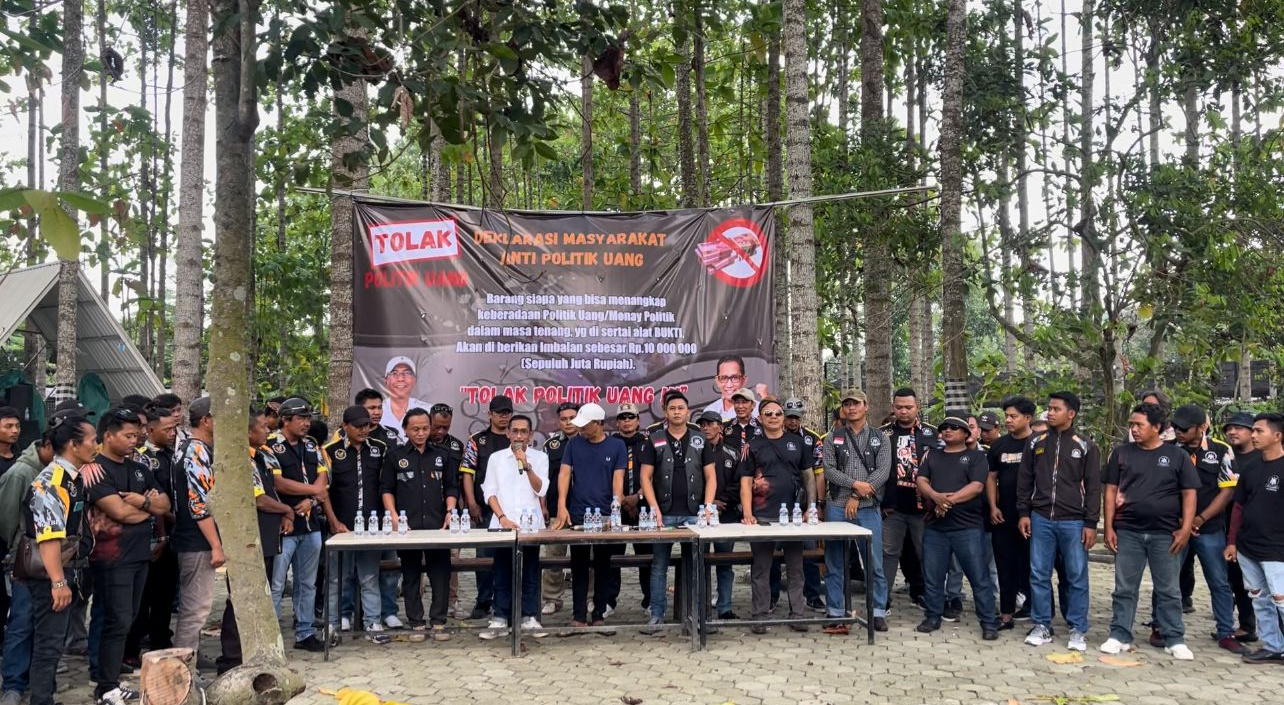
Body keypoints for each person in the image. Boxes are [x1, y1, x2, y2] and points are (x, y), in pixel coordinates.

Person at [1100, 402, 1199, 660]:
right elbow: (1110, 491)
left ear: (1157, 427)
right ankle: (1119, 634)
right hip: (1128, 531)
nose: (1133, 429)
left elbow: (1189, 493)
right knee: (1124, 588)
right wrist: (1109, 526)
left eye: (1139, 425)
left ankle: (1174, 638)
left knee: (1168, 589)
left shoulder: (1177, 456)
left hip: (1165, 533)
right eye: (1131, 424)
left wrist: (1185, 529)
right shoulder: (1121, 453)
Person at [85, 407, 170, 704]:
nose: (135, 440)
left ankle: (110, 680)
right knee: (116, 620)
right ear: (108, 436)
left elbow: (164, 505)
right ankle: (105, 686)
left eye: (137, 435)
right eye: (129, 435)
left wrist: (142, 503)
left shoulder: (139, 468)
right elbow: (119, 512)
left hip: (139, 555)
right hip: (111, 558)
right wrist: (147, 507)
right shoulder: (95, 469)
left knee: (129, 618)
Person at [1148, 404, 1238, 653]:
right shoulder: (1167, 450)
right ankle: (1159, 626)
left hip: (1209, 528)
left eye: (1185, 428)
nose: (1179, 431)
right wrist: (1182, 521)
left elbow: (1227, 490)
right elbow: (1159, 488)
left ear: (1201, 428)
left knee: (1219, 581)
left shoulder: (1222, 450)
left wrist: (1199, 519)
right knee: (1167, 579)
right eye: (1176, 426)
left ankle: (1226, 632)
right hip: (1174, 528)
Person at [1017, 391, 1099, 651]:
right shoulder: (1035, 442)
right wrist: (1023, 513)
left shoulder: (1085, 445)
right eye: (1049, 408)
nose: (1050, 413)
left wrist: (1091, 523)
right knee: (1039, 574)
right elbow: (1024, 480)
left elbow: (1094, 488)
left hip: (1074, 521)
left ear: (1071, 414)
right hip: (1040, 517)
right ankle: (1041, 625)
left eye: (1056, 409)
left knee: (1076, 575)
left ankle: (1077, 629)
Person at [217, 410, 295, 673]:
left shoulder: (262, 455)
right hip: (249, 539)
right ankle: (231, 659)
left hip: (266, 537)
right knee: (240, 597)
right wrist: (287, 509)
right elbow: (259, 499)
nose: (268, 431)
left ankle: (254, 651)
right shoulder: (241, 460)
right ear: (248, 432)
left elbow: (270, 490)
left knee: (260, 595)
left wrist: (283, 514)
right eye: (263, 427)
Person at [25, 417, 96, 705]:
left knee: (54, 639)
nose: (96, 445)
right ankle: (41, 699)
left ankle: (47, 695)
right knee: (49, 642)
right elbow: (48, 538)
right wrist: (58, 582)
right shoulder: (52, 482)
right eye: (92, 440)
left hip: (66, 567)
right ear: (73, 445)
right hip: (50, 573)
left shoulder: (74, 477)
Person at [913, 414, 1000, 639]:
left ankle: (988, 622)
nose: (947, 430)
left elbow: (977, 487)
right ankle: (933, 616)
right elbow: (921, 481)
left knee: (979, 577)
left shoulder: (977, 457)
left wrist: (946, 502)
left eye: (954, 427)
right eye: (944, 427)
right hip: (935, 527)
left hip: (967, 527)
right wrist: (936, 497)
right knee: (933, 577)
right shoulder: (932, 455)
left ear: (966, 433)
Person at [639, 392, 716, 633]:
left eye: (681, 408)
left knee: (697, 565)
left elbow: (711, 477)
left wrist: (707, 508)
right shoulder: (654, 439)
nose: (676, 412)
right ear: (665, 412)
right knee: (659, 566)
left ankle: (699, 617)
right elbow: (645, 477)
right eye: (672, 408)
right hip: (665, 513)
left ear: (687, 411)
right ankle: (657, 616)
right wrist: (654, 509)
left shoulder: (699, 439)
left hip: (695, 514)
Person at [739, 397, 816, 634]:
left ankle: (798, 614)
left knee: (795, 567)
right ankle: (759, 616)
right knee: (761, 569)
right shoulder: (752, 445)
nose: (773, 417)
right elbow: (745, 482)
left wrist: (811, 507)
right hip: (762, 516)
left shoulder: (798, 443)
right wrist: (748, 513)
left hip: (794, 517)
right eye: (768, 414)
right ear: (760, 418)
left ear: (783, 417)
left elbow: (809, 477)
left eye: (778, 414)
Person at [383, 408, 457, 641]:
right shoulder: (395, 455)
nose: (421, 433)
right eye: (415, 429)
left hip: (438, 525)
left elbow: (451, 486)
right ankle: (415, 622)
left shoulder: (442, 454)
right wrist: (393, 516)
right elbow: (387, 489)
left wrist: (450, 511)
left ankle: (438, 621)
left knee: (440, 574)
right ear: (405, 429)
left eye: (425, 428)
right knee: (411, 574)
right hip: (408, 526)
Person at [821, 389, 891, 634]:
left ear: (866, 406)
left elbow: (883, 472)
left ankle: (877, 611)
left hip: (868, 507)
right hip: (837, 505)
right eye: (847, 404)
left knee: (874, 562)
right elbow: (829, 470)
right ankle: (835, 611)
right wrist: (854, 485)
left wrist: (857, 495)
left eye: (856, 404)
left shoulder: (880, 438)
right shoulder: (833, 437)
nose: (851, 408)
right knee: (835, 561)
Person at [551, 402, 626, 629]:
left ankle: (599, 613)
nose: (581, 428)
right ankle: (578, 615)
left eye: (585, 425)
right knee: (579, 566)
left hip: (605, 515)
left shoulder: (616, 446)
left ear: (598, 423)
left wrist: (615, 507)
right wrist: (561, 506)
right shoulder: (574, 444)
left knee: (603, 565)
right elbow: (565, 474)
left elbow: (618, 479)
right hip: (578, 514)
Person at [322, 405, 391, 643]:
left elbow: (385, 486)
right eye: (358, 426)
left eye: (367, 425)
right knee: (337, 577)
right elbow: (323, 491)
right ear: (345, 426)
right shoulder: (330, 451)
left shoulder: (380, 449)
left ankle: (373, 623)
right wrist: (333, 521)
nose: (364, 430)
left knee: (369, 576)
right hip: (341, 525)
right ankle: (333, 624)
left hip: (372, 525)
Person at [268, 397, 330, 651]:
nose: (306, 423)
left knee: (307, 582)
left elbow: (323, 477)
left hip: (310, 522)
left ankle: (305, 633)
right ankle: (271, 640)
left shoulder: (312, 444)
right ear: (285, 420)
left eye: (308, 418)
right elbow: (278, 483)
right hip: (284, 524)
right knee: (277, 584)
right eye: (300, 419)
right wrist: (314, 491)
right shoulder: (270, 445)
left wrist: (312, 499)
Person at [479, 414, 549, 640]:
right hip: (503, 524)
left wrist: (526, 466)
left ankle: (529, 617)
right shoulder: (496, 458)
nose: (519, 436)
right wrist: (502, 517)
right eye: (515, 431)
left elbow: (541, 490)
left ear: (530, 435)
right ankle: (500, 618)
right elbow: (489, 492)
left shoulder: (540, 458)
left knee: (530, 571)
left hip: (531, 527)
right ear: (508, 433)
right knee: (502, 572)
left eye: (523, 431)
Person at [0, 428, 55, 705]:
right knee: (21, 622)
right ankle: (13, 683)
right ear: (49, 445)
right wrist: (19, 548)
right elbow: (6, 519)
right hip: (24, 559)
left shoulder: (59, 471)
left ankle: (40, 680)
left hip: (52, 559)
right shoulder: (21, 473)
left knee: (45, 625)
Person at [123, 408, 180, 668]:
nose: (172, 433)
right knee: (142, 597)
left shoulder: (173, 454)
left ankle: (161, 642)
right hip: (149, 533)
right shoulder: (143, 459)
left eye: (174, 428)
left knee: (164, 594)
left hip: (171, 533)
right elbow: (153, 503)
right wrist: (162, 533)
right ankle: (131, 648)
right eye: (167, 429)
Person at [1225, 412, 1284, 664]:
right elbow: (1238, 507)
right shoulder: (1250, 467)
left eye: (1259, 431)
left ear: (1277, 436)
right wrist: (1232, 541)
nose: (1254, 435)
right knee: (1259, 600)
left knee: (1281, 600)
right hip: (1248, 547)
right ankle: (1273, 647)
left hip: (1277, 549)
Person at [172, 397, 225, 663]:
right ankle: (184, 668)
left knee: (197, 606)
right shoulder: (196, 451)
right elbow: (199, 503)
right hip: (196, 539)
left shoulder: (190, 448)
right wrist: (215, 545)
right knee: (195, 608)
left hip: (193, 536)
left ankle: (190, 657)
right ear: (206, 420)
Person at [880, 387, 942, 613]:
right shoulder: (882, 434)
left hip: (923, 508)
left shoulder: (933, 434)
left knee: (926, 553)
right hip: (892, 507)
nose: (904, 411)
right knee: (888, 553)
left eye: (908, 407)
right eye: (899, 407)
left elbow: (943, 467)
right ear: (893, 408)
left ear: (918, 407)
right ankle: (882, 600)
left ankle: (927, 596)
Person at [460, 395, 513, 621]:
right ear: (489, 414)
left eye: (507, 412)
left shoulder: (516, 438)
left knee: (510, 556)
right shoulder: (477, 440)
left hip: (511, 508)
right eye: (499, 412)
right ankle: (483, 601)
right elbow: (467, 473)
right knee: (483, 557)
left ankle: (509, 600)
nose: (503, 416)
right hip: (484, 508)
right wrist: (471, 503)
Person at [987, 396, 1035, 630]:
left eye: (1013, 416)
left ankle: (1040, 614)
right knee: (1004, 566)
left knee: (1033, 567)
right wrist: (993, 506)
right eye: (1006, 415)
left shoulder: (1039, 443)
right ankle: (1006, 615)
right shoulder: (998, 445)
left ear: (1028, 418)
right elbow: (991, 477)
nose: (1008, 420)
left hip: (1033, 516)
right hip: (1004, 515)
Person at [780, 398, 825, 612]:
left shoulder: (812, 439)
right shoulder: (772, 435)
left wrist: (816, 505)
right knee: (773, 552)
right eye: (789, 417)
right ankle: (772, 597)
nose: (792, 421)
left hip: (805, 502)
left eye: (796, 417)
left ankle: (813, 595)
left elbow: (818, 474)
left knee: (809, 552)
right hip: (778, 503)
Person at [699, 409, 742, 620]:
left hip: (726, 514)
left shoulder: (733, 453)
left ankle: (725, 607)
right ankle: (701, 607)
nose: (706, 428)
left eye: (710, 423)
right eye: (702, 424)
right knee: (700, 563)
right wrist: (708, 502)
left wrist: (721, 501)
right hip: (701, 515)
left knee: (725, 563)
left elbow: (739, 482)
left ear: (721, 427)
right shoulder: (695, 451)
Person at [1222, 411, 1260, 644]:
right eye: (1229, 428)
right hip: (1224, 523)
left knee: (1253, 579)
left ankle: (1253, 625)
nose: (1232, 432)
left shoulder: (1262, 458)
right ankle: (1238, 624)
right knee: (1231, 577)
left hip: (1254, 526)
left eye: (1238, 428)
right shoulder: (1225, 456)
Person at [610, 402, 652, 613]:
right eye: (622, 417)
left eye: (631, 417)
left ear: (638, 421)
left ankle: (650, 601)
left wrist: (637, 497)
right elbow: (606, 475)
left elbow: (654, 474)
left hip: (643, 507)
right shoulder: (609, 444)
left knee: (647, 556)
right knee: (612, 556)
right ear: (617, 422)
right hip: (616, 508)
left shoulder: (647, 443)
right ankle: (609, 601)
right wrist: (624, 501)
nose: (627, 421)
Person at [427, 403, 466, 620]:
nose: (440, 432)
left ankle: (452, 601)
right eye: (436, 427)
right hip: (422, 511)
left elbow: (460, 480)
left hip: (451, 512)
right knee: (420, 560)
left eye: (446, 427)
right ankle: (419, 604)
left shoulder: (457, 446)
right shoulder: (417, 443)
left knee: (453, 559)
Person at [539, 402, 579, 616]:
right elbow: (544, 479)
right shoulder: (551, 445)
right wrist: (543, 506)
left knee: (587, 558)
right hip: (557, 510)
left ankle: (589, 598)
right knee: (553, 557)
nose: (568, 422)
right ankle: (552, 598)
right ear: (558, 421)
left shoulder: (589, 441)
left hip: (584, 510)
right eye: (564, 419)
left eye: (572, 418)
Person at [702, 355, 767, 422]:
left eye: (735, 378)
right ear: (717, 381)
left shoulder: (758, 410)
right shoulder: (710, 411)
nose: (729, 385)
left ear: (744, 380)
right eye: (724, 378)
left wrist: (765, 399)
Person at [381, 357, 428, 438]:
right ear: (386, 380)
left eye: (407, 373)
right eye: (394, 373)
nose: (401, 379)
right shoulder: (376, 411)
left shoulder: (428, 411)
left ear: (414, 380)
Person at [722, 388, 762, 459]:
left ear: (753, 405)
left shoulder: (762, 427)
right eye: (737, 402)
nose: (740, 406)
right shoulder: (725, 427)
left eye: (744, 402)